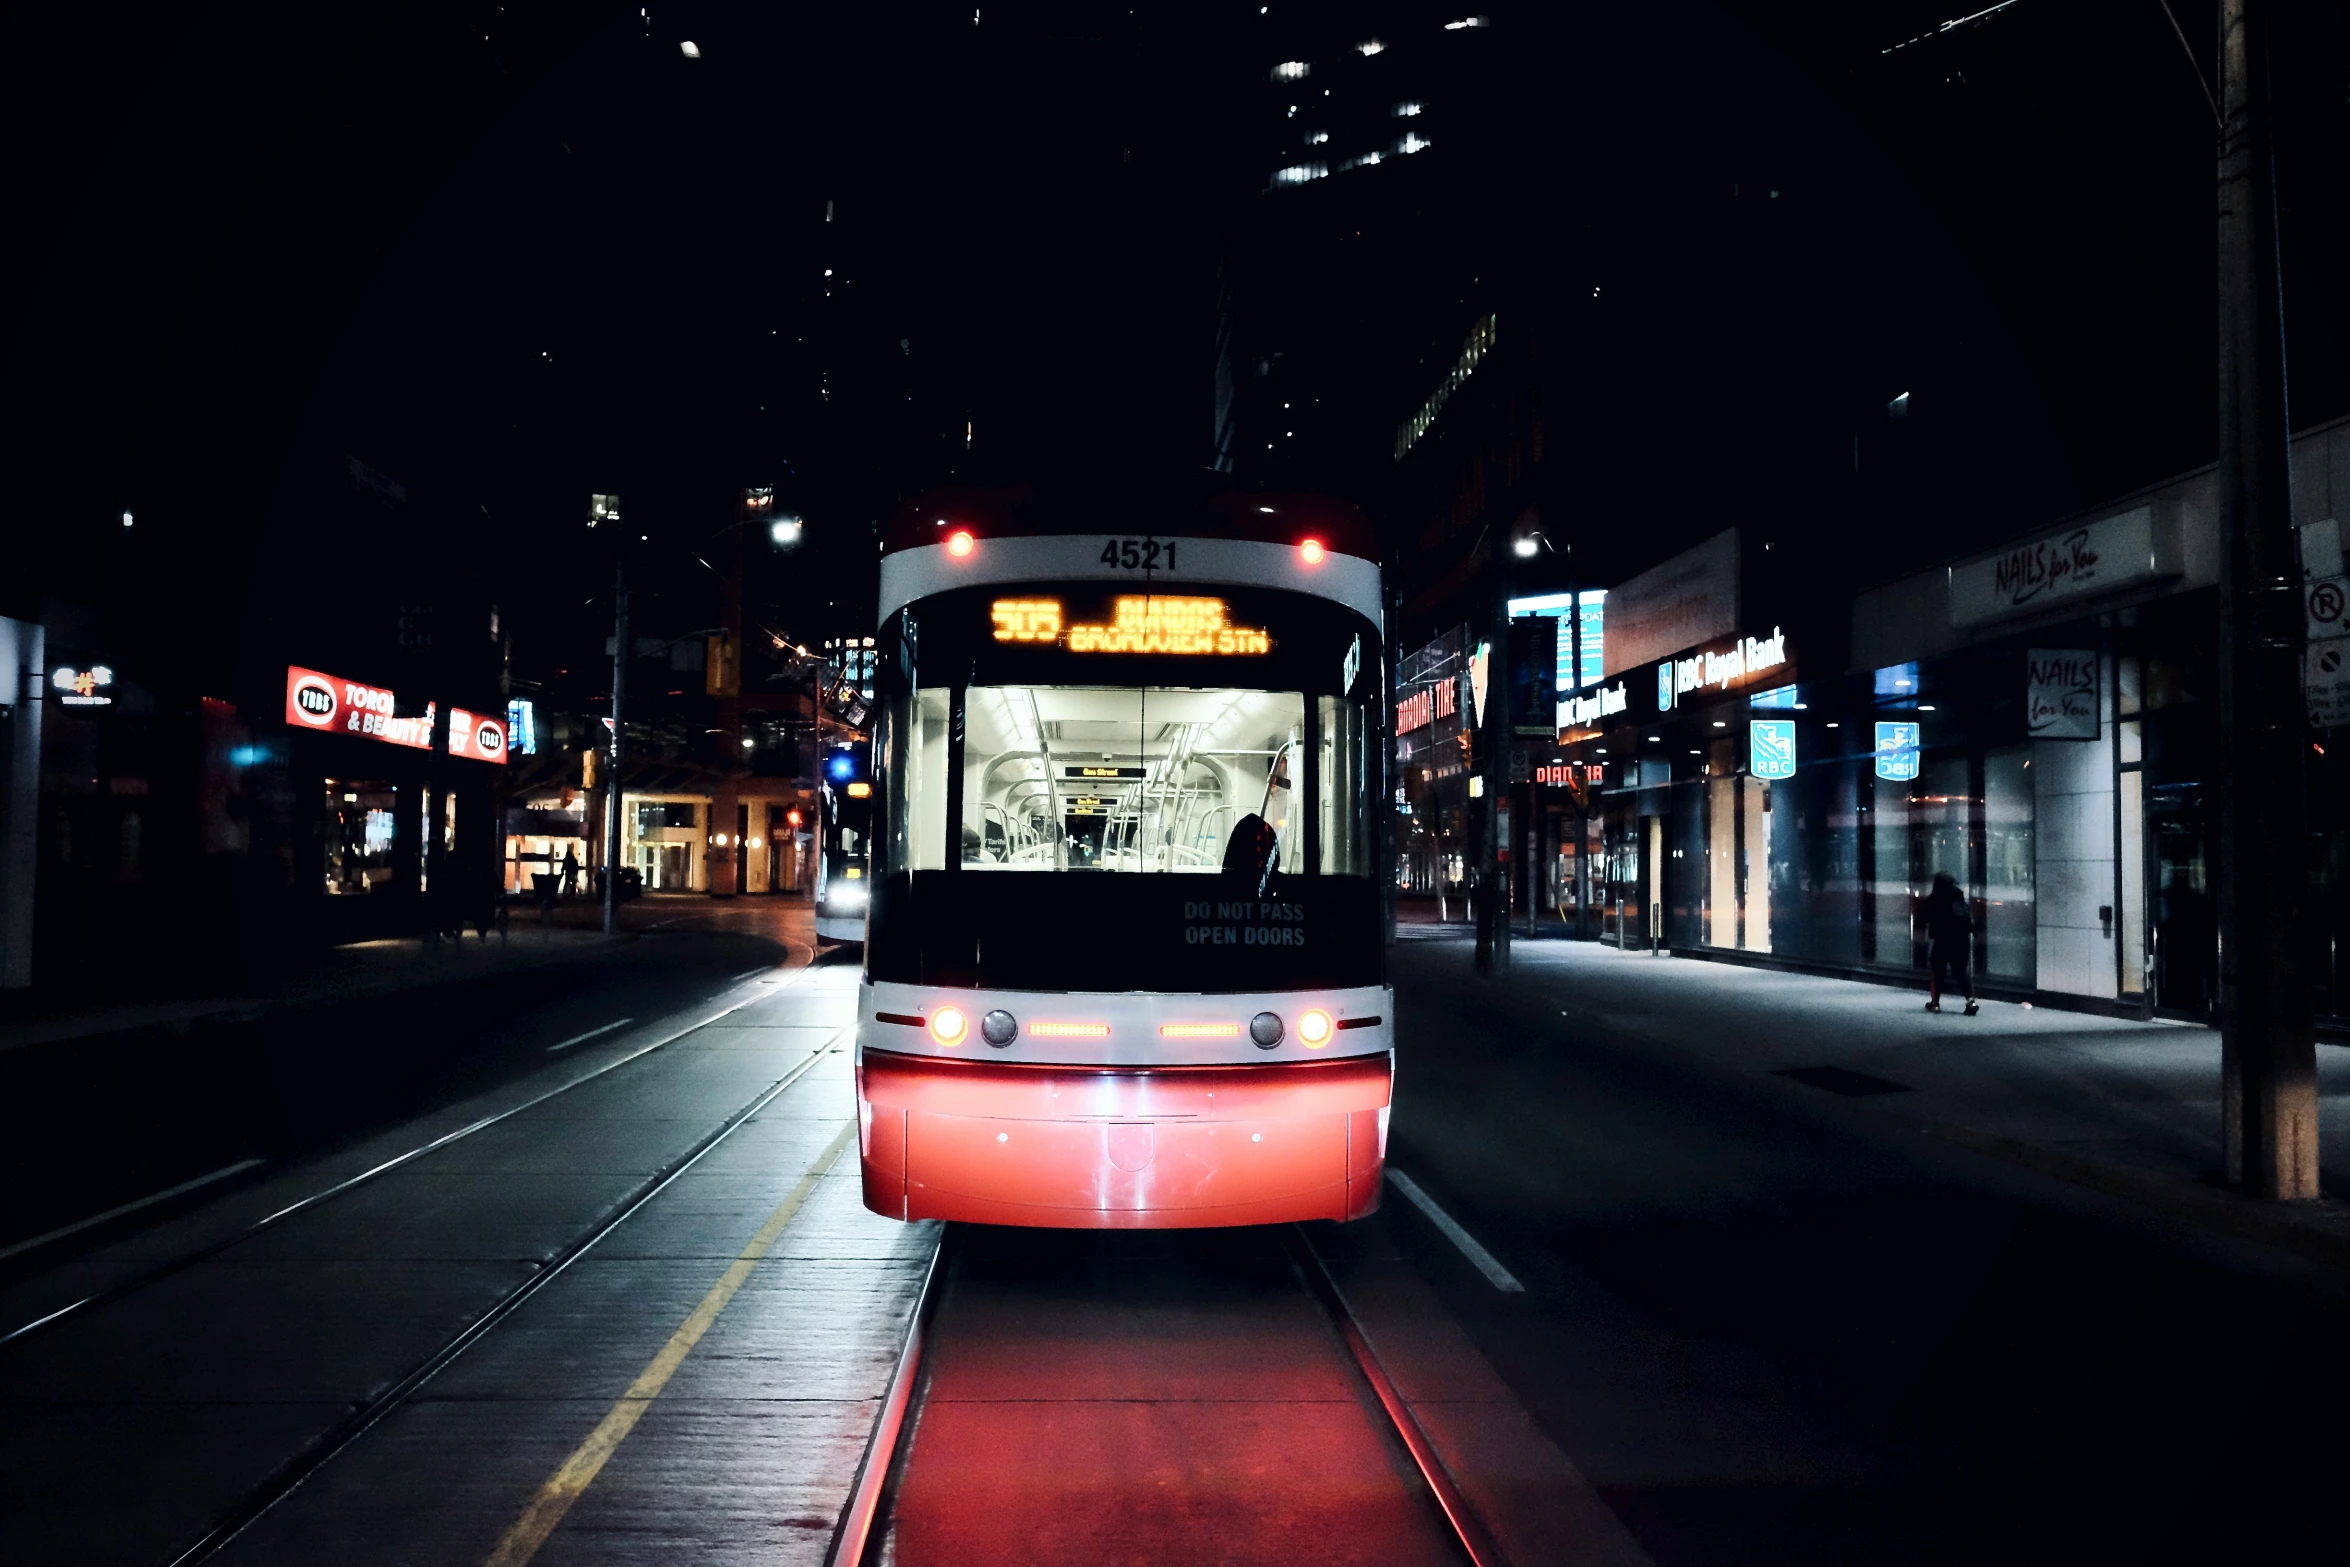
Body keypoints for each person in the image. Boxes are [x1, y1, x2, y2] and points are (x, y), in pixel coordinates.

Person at [1922, 871, 1978, 1015]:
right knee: (1960, 971)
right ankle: (1970, 1001)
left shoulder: (1934, 898)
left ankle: (1935, 1004)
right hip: (1961, 940)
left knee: (1937, 972)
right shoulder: (1959, 898)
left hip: (1942, 940)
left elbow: (1926, 919)